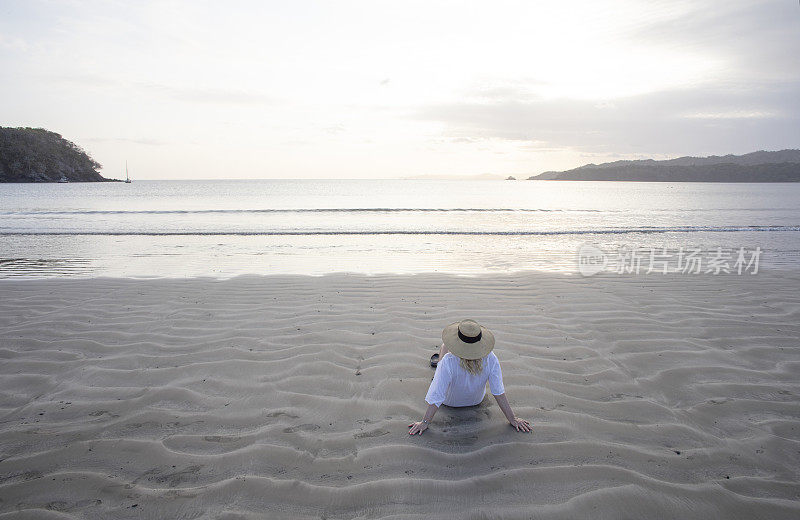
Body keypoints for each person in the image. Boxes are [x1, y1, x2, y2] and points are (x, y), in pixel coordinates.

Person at [408, 319, 532, 435]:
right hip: (477, 400)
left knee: (444, 347)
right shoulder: (491, 357)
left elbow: (437, 394)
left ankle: (438, 371)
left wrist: (424, 422)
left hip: (450, 402)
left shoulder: (448, 361)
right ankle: (440, 371)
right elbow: (498, 392)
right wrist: (512, 419)